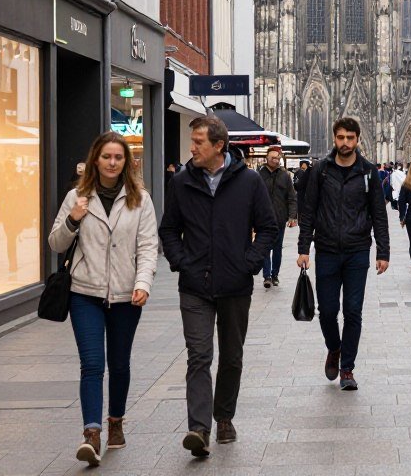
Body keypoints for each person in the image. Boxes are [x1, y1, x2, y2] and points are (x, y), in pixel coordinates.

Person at [160, 116, 278, 457]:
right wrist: (181, 261)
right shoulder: (182, 182)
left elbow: (268, 227)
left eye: (198, 142)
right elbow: (169, 228)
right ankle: (199, 428)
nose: (191, 148)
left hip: (235, 283)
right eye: (192, 141)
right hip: (195, 284)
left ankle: (224, 416)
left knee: (231, 356)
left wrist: (249, 263)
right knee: (199, 356)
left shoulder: (249, 181)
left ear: (218, 146)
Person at [48, 132, 159, 466]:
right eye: (107, 157)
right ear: (95, 159)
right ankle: (91, 433)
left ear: (127, 162)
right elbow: (55, 243)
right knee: (92, 364)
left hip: (127, 294)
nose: (112, 163)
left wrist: (143, 283)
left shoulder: (140, 199)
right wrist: (73, 219)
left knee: (120, 363)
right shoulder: (76, 198)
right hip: (85, 292)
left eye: (119, 158)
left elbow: (148, 246)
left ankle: (116, 422)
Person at [297, 117, 390, 391]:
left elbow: (379, 214)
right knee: (326, 311)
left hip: (357, 251)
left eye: (350, 138)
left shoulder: (369, 172)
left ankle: (347, 369)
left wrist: (382, 251)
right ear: (334, 139)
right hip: (326, 249)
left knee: (353, 312)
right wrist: (304, 247)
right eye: (341, 138)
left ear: (357, 140)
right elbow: (309, 210)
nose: (345, 143)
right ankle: (334, 349)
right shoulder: (321, 171)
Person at [258, 145, 298, 289]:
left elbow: (292, 197)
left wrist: (292, 216)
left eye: (278, 158)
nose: (276, 160)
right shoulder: (259, 175)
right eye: (273, 158)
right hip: (262, 218)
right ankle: (267, 276)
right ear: (267, 158)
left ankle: (275, 274)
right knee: (265, 247)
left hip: (280, 218)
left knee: (277, 248)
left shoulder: (284, 176)